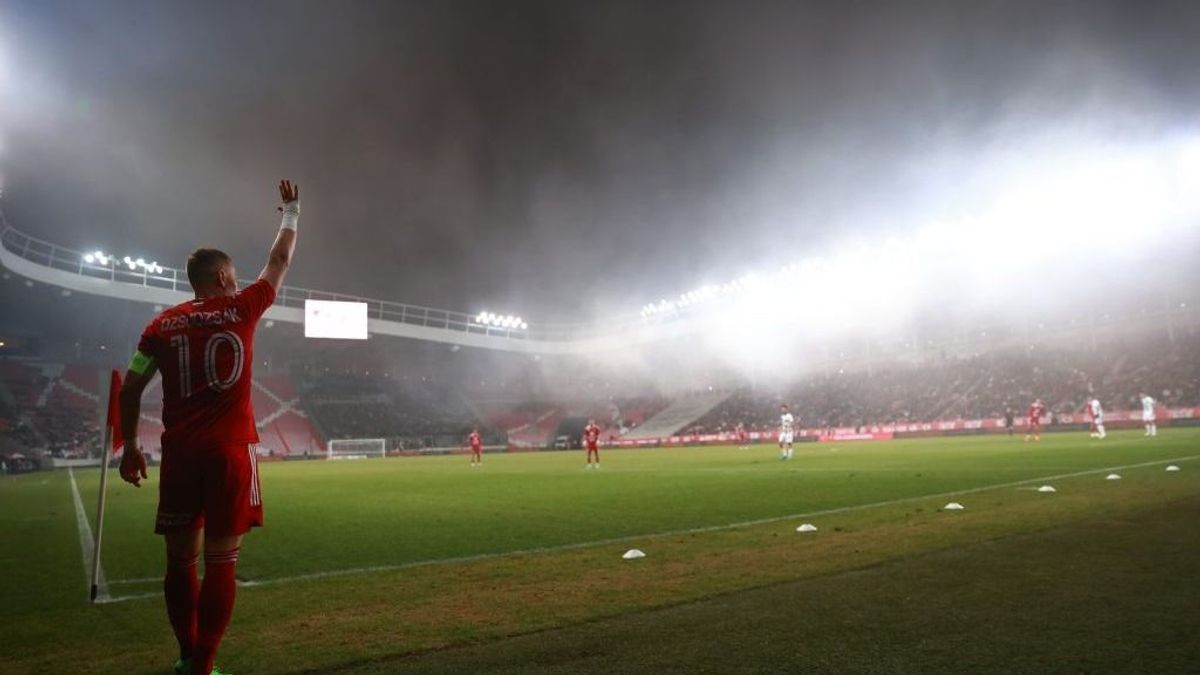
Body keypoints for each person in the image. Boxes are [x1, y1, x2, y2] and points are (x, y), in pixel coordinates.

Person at [118, 180, 300, 675]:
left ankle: (184, 655)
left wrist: (131, 446)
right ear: (221, 277)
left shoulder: (160, 326)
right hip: (230, 452)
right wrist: (292, 212)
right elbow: (279, 262)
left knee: (179, 563)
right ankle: (205, 665)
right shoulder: (242, 307)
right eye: (235, 276)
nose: (239, 282)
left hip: (179, 455)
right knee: (222, 562)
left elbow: (131, 387)